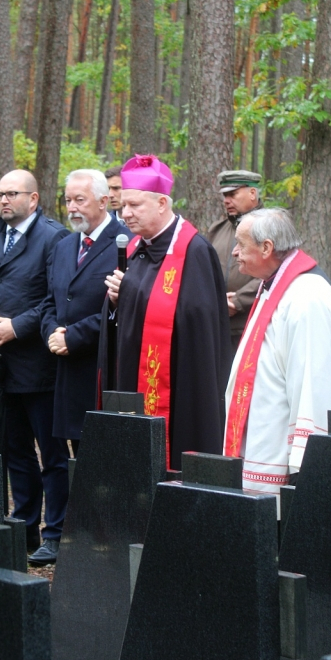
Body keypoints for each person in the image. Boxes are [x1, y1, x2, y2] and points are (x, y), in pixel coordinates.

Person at [101, 155, 231, 472]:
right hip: (133, 377)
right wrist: (115, 304)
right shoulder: (133, 248)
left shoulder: (194, 250)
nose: (125, 214)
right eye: (122, 206)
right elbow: (129, 311)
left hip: (180, 384)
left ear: (161, 203)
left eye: (134, 205)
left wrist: (130, 294)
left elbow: (194, 320)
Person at [224, 208, 331, 502]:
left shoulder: (307, 296)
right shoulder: (272, 284)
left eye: (241, 244)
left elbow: (313, 381)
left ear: (266, 247)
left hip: (281, 452)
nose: (235, 252)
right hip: (263, 434)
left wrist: (303, 460)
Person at [0, 169, 70, 565]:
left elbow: (54, 298)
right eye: (0, 194)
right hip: (3, 366)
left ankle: (56, 532)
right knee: (14, 452)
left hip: (40, 363)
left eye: (12, 194)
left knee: (52, 454)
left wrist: (18, 327)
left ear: (34, 199)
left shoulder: (54, 237)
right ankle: (25, 525)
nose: (3, 200)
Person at [40, 169, 130, 455]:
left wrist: (74, 337)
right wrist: (52, 331)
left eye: (80, 199)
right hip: (66, 374)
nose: (72, 208)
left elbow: (123, 307)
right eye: (68, 200)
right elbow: (50, 300)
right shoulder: (65, 245)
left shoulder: (125, 243)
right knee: (78, 460)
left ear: (103, 201)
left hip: (103, 372)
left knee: (106, 461)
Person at [205, 170, 264, 352]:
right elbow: (205, 271)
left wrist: (238, 301)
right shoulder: (217, 230)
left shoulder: (270, 228)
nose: (226, 200)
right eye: (224, 195)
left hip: (255, 326)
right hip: (218, 326)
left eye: (232, 194)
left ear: (252, 193)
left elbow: (277, 271)